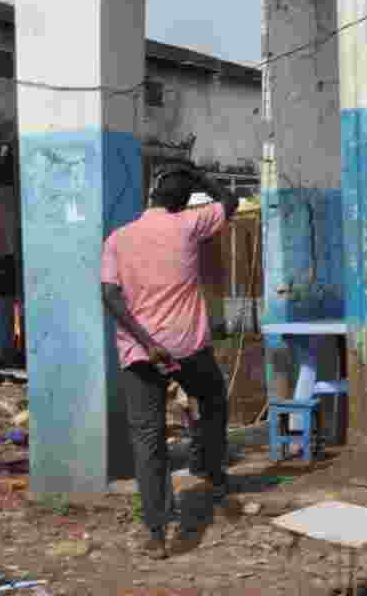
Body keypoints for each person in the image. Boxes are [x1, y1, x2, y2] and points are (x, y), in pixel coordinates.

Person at [100, 162, 238, 560]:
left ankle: (158, 533)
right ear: (182, 202)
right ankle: (209, 470)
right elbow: (230, 201)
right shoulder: (189, 225)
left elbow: (110, 297)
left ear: (150, 199)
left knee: (148, 441)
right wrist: (195, 174)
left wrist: (146, 342)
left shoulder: (118, 238)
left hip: (140, 354)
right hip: (188, 349)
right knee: (212, 399)